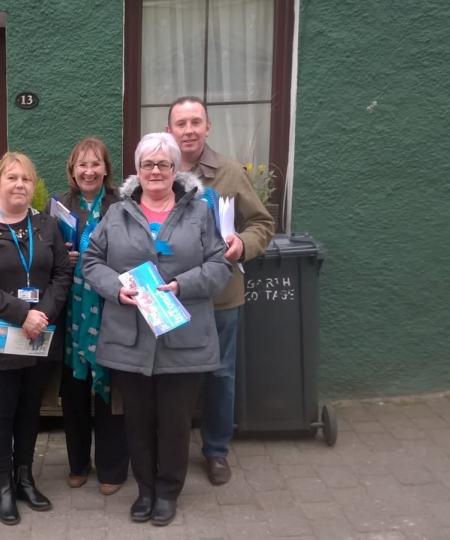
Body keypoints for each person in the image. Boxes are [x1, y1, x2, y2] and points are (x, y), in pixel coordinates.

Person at [82, 132, 232, 526]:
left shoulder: (200, 212)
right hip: (129, 336)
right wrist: (118, 288)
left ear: (176, 169)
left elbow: (220, 265)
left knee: (175, 421)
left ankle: (168, 491)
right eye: (147, 164)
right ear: (137, 169)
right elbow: (91, 261)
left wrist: (184, 285)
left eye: (164, 164)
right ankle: (145, 490)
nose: (155, 171)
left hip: (182, 337)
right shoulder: (116, 214)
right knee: (137, 420)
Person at [166, 97, 275, 485]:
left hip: (221, 296)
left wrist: (244, 244)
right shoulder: (160, 170)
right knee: (172, 375)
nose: (189, 130)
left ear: (208, 128)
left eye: (196, 122)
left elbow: (261, 222)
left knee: (220, 375)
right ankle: (169, 449)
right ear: (170, 131)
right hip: (171, 295)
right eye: (181, 123)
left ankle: (215, 450)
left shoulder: (228, 172)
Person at [0, 152, 73, 526]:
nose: (19, 185)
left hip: (38, 336)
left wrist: (42, 315)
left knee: (30, 410)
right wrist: (22, 314)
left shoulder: (46, 225)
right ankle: (4, 485)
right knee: (0, 414)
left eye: (26, 179)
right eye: (12, 178)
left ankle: (26, 477)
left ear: (33, 185)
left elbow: (61, 274)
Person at [43, 137, 129, 495]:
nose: (89, 171)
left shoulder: (122, 207)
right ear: (72, 170)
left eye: (96, 164)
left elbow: (134, 253)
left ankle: (112, 467)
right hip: (71, 312)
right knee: (74, 390)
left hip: (111, 308)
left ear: (106, 169)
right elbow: (41, 257)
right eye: (82, 165)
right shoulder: (57, 207)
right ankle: (78, 463)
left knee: (111, 390)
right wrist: (61, 258)